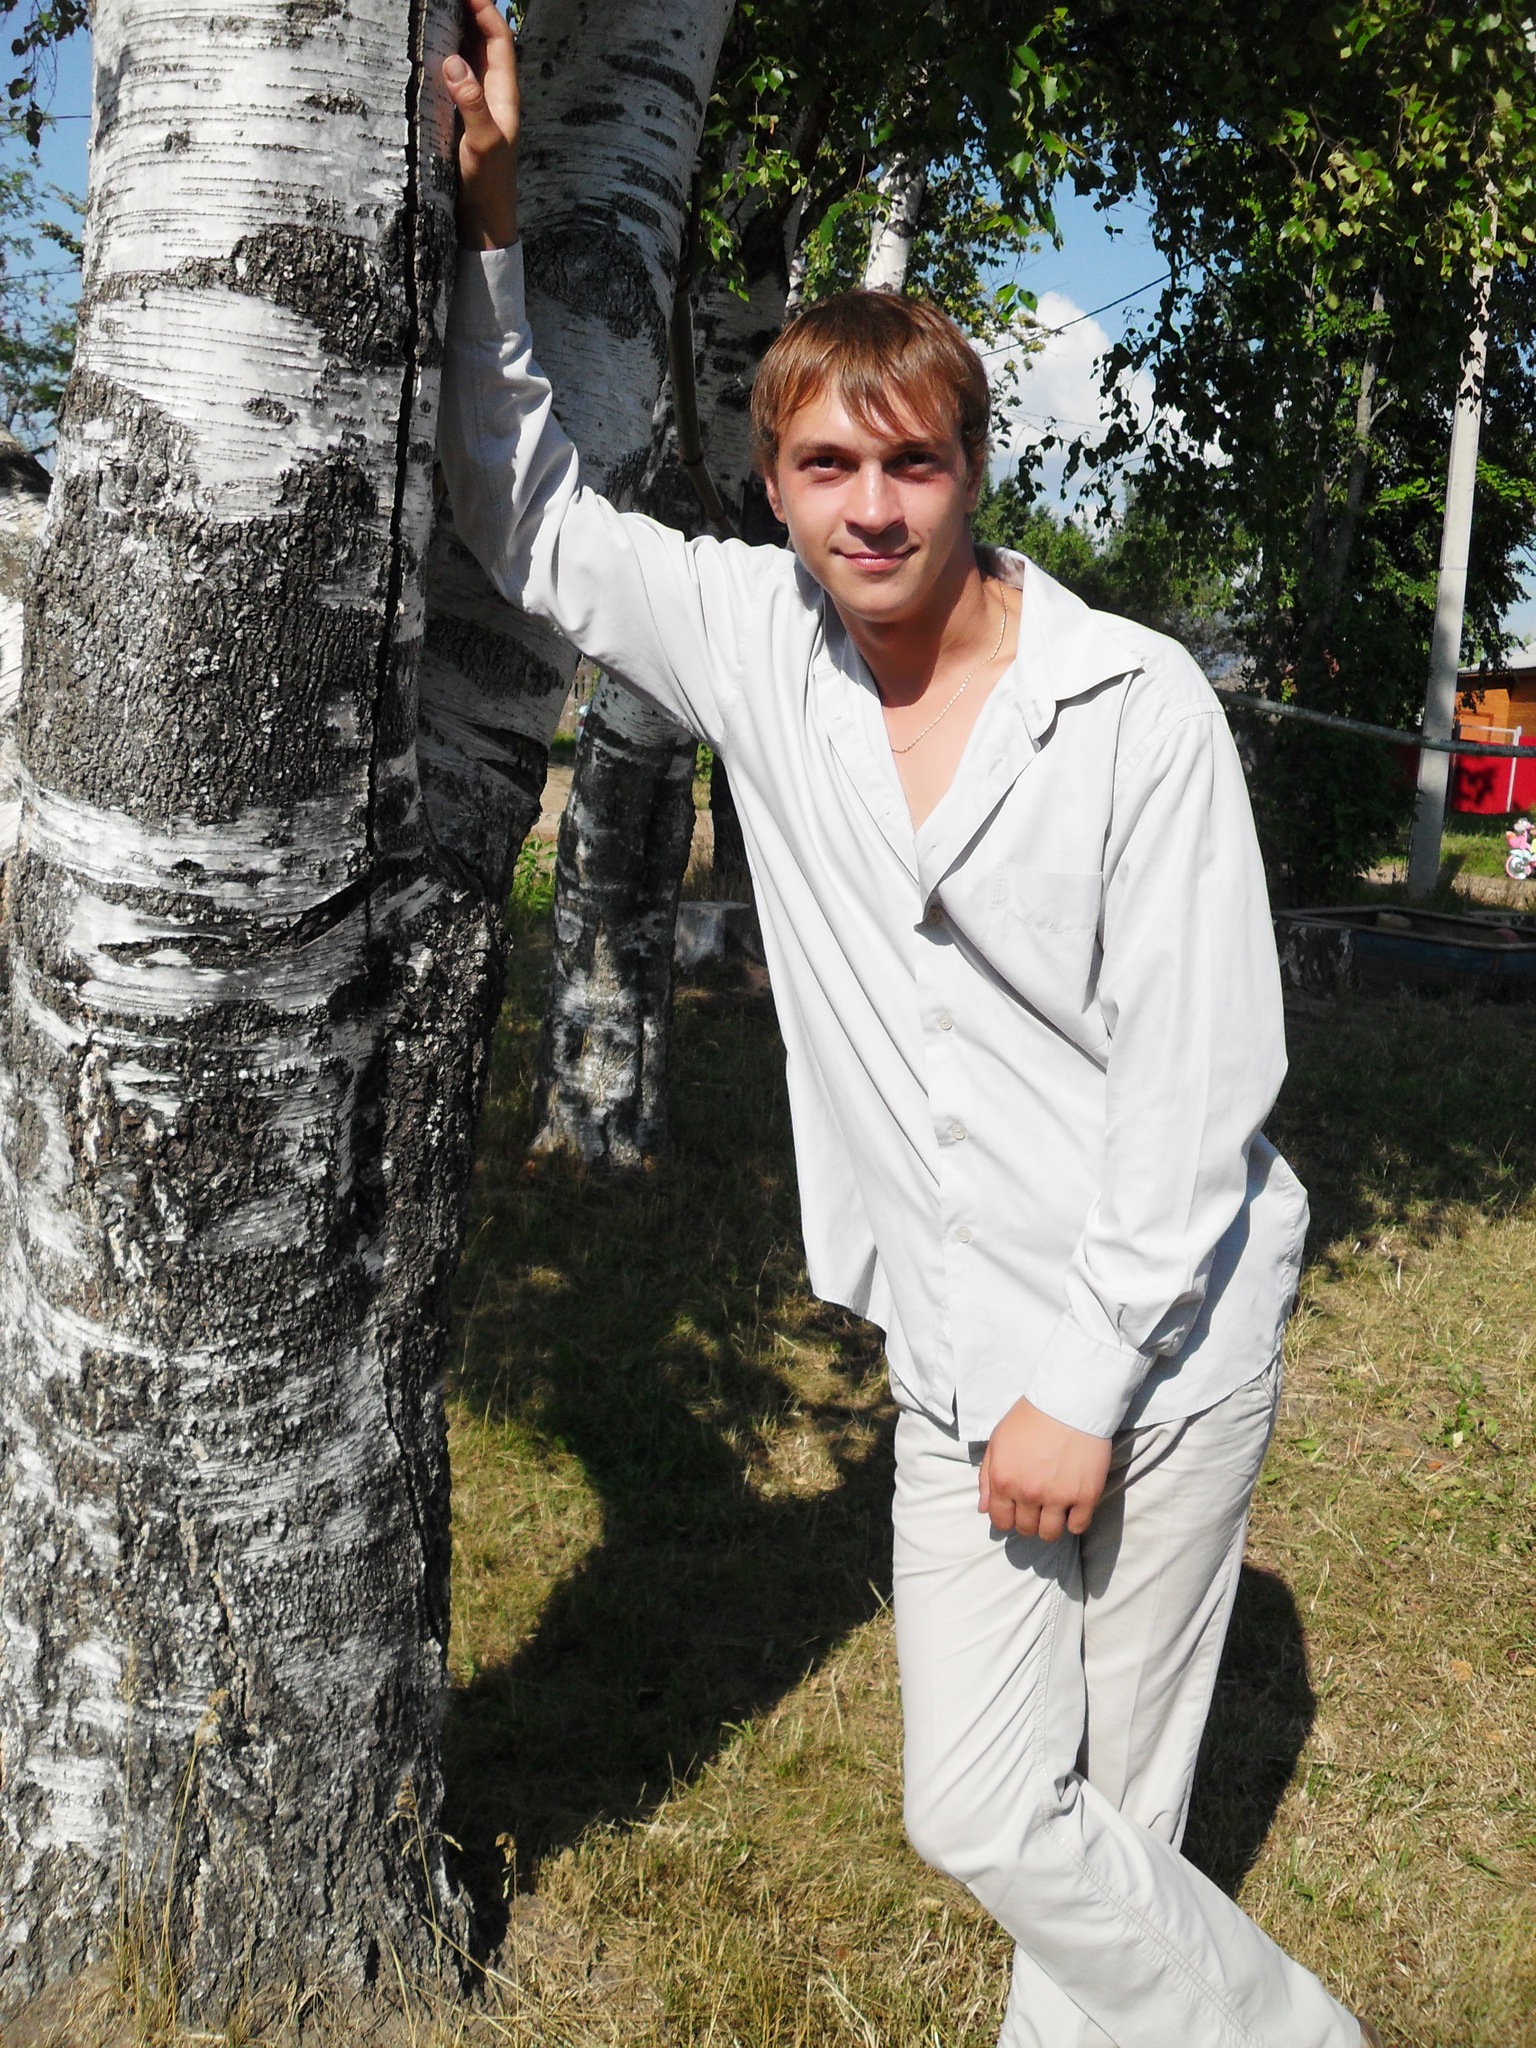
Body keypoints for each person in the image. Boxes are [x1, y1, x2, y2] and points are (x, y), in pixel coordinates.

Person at [438, 9, 1379, 2044]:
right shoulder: (755, 643)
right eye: (827, 466)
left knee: (1110, 1815)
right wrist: (495, 216)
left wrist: (1089, 1387)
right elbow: (534, 522)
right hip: (958, 1349)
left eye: (913, 462)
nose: (871, 508)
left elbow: (1202, 1088)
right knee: (982, 1805)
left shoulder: (1131, 709)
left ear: (972, 471)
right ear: (775, 481)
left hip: (1168, 1334)